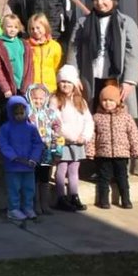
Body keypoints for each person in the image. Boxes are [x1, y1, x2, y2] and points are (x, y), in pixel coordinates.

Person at [66, 0, 138, 119]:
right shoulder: (83, 22)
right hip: (90, 76)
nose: (100, 2)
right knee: (90, 114)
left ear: (113, 0)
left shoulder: (126, 22)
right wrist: (72, 75)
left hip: (115, 77)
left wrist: (129, 81)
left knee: (117, 116)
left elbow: (133, 53)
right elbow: (74, 49)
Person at [88, 83, 138, 210]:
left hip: (121, 154)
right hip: (103, 153)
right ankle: (104, 201)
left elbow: (134, 134)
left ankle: (126, 200)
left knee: (122, 177)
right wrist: (90, 151)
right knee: (103, 178)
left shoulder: (126, 118)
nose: (107, 103)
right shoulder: (96, 118)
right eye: (104, 100)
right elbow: (92, 136)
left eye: (111, 100)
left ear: (117, 101)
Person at [52, 65, 94, 212]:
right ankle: (60, 197)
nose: (65, 85)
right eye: (62, 81)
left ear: (74, 84)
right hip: (63, 141)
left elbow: (88, 120)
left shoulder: (80, 101)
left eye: (69, 82)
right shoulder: (55, 100)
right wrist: (71, 136)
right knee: (62, 168)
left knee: (74, 169)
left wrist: (85, 136)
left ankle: (74, 195)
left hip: (78, 142)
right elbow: (56, 121)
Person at [0, 95, 45, 221]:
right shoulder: (5, 128)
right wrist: (13, 156)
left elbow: (38, 143)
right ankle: (13, 209)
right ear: (10, 113)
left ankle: (27, 207)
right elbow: (3, 144)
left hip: (29, 165)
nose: (19, 116)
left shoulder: (31, 128)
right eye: (16, 113)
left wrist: (34, 158)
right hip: (13, 165)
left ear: (26, 111)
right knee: (14, 188)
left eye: (21, 113)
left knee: (29, 189)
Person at [27, 82, 61, 215]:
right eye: (35, 98)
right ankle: (35, 204)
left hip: (46, 152)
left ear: (46, 98)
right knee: (34, 179)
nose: (38, 101)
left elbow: (57, 129)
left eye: (41, 98)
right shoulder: (28, 114)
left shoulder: (50, 113)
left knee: (45, 178)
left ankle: (45, 204)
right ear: (30, 98)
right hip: (32, 153)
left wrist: (55, 149)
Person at [0, 13, 32, 107]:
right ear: (3, 27)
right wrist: (5, 88)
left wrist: (28, 85)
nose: (12, 29)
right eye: (9, 26)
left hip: (22, 88)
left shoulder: (23, 44)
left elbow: (29, 67)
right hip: (7, 90)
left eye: (16, 27)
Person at [27, 13, 63, 93]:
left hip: (50, 88)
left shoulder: (55, 46)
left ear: (45, 27)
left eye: (38, 28)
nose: (35, 31)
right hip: (32, 88)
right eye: (32, 29)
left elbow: (56, 66)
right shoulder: (26, 45)